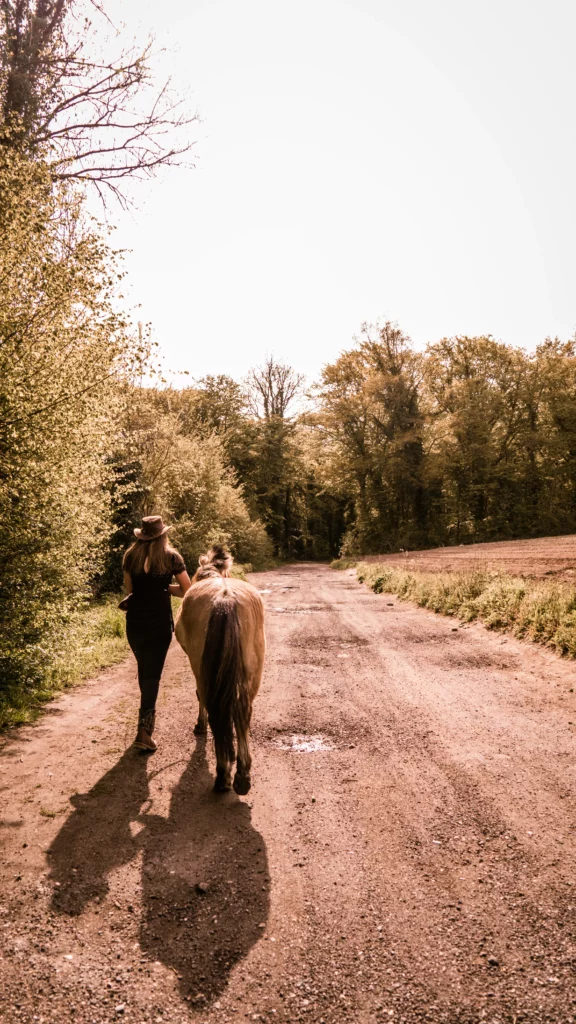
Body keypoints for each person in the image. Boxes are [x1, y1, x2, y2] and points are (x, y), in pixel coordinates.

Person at [122, 516, 191, 752]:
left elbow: (130, 590)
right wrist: (164, 588)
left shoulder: (130, 556)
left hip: (135, 623)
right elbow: (186, 590)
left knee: (145, 669)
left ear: (142, 535)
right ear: (163, 535)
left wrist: (149, 588)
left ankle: (144, 728)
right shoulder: (172, 557)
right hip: (159, 624)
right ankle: (144, 732)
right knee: (152, 674)